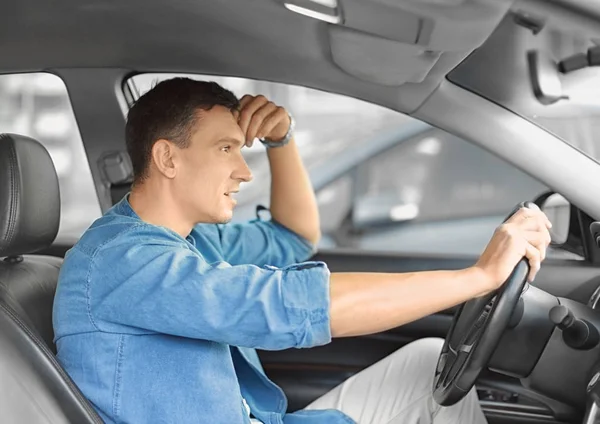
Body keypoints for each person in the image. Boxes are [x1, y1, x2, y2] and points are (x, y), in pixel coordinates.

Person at [53, 78, 552, 424]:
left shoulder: (187, 240)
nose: (244, 172)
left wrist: (281, 140)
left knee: (425, 363)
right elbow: (287, 303)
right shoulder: (121, 261)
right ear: (167, 157)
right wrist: (479, 277)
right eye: (226, 148)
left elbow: (293, 238)